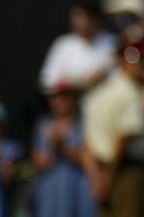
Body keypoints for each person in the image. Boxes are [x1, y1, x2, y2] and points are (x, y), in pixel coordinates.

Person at [82, 42, 144, 217]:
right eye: (135, 61)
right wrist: (107, 178)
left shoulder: (100, 91)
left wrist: (95, 178)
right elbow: (122, 138)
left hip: (100, 170)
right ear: (122, 62)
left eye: (141, 60)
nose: (141, 66)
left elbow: (88, 141)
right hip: (122, 172)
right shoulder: (130, 92)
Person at [31, 83, 95, 217]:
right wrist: (54, 148)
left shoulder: (84, 124)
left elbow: (87, 163)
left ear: (73, 98)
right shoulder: (43, 124)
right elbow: (38, 163)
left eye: (64, 96)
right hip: (50, 195)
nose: (59, 101)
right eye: (54, 97)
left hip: (77, 194)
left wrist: (63, 147)